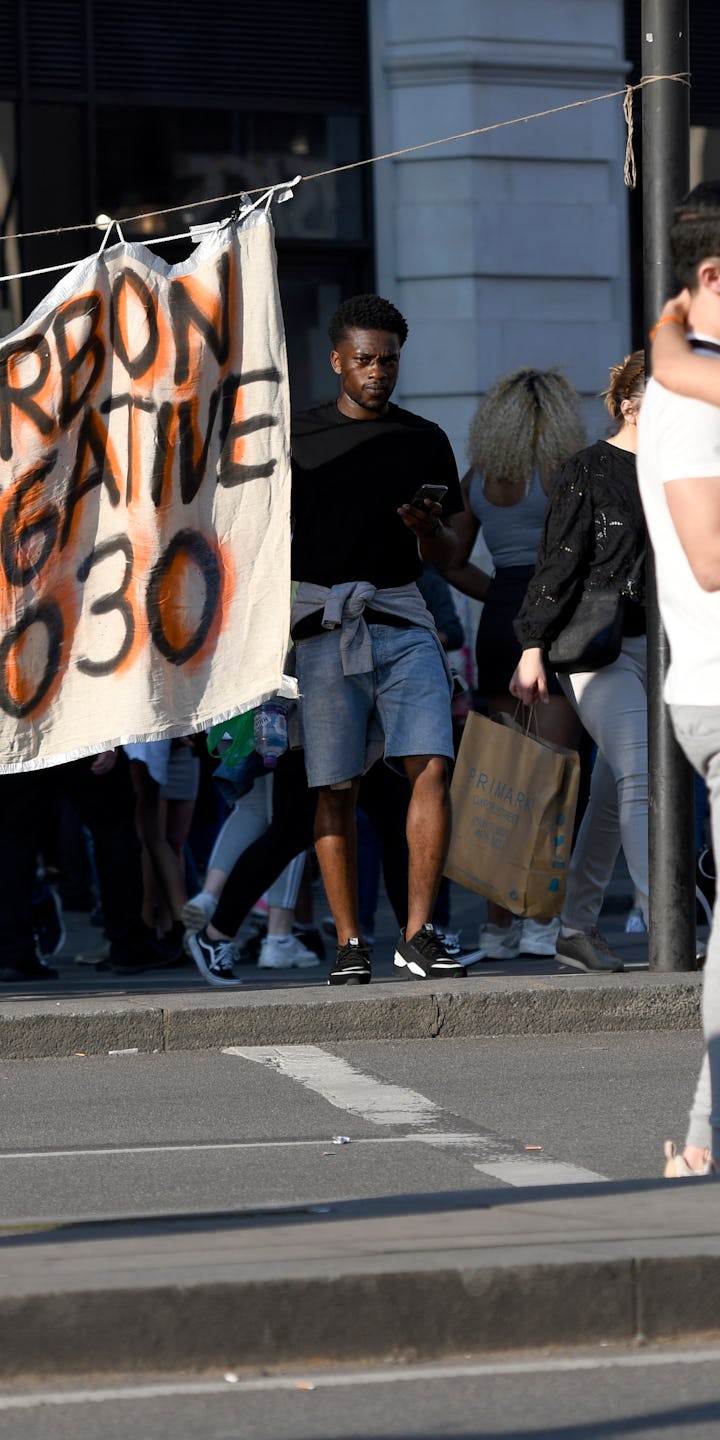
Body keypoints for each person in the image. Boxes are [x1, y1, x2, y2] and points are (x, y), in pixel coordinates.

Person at [192, 293, 466, 986]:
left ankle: (418, 933)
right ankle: (349, 942)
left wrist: (426, 528)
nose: (379, 372)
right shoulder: (296, 440)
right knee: (333, 788)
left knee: (431, 764)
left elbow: (455, 550)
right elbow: (252, 538)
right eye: (367, 360)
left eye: (391, 361)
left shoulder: (424, 437)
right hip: (321, 629)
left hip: (402, 617)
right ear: (338, 360)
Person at [510, 351, 648, 974]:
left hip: (670, 649)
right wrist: (532, 645)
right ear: (629, 403)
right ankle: (666, 920)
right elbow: (557, 564)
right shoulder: (589, 469)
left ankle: (575, 929)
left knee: (612, 793)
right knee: (643, 777)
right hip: (598, 651)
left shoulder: (695, 471)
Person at [443, 369, 586, 959]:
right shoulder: (566, 473)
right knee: (549, 782)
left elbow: (449, 561)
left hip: (499, 620)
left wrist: (499, 594)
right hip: (551, 627)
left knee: (497, 780)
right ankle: (539, 920)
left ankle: (497, 927)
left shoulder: (481, 478)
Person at [637, 178, 720, 1177]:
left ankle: (704, 1140)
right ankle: (702, 1141)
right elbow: (707, 552)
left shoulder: (686, 366)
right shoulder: (688, 391)